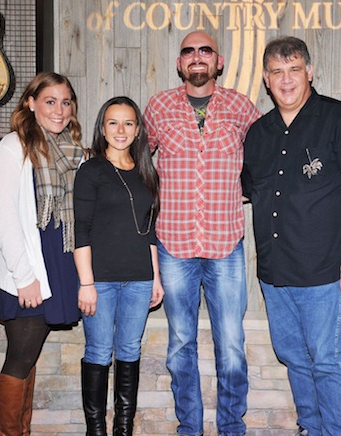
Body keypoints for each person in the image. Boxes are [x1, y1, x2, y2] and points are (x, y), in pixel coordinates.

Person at [242, 36, 341, 435]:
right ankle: (312, 427)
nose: (286, 80)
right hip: (274, 273)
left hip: (324, 272)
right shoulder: (258, 134)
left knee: (326, 358)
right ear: (267, 80)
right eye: (277, 72)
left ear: (310, 71)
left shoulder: (340, 119)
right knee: (293, 356)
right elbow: (246, 191)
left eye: (294, 69)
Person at [143, 31, 261, 436]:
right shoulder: (158, 107)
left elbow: (267, 156)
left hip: (226, 243)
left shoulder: (241, 108)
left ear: (219, 61)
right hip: (173, 244)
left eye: (205, 51)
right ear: (180, 63)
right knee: (180, 347)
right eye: (189, 51)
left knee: (230, 347)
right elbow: (135, 160)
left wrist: (247, 190)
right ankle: (188, 429)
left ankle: (231, 428)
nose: (197, 57)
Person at [0, 72, 85, 435]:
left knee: (28, 357)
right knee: (19, 360)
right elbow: (3, 218)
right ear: (30, 103)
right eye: (50, 101)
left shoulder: (72, 151)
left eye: (65, 102)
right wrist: (25, 278)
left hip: (59, 263)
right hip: (29, 270)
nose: (59, 109)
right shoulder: (13, 146)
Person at [73, 96, 164, 435]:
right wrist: (86, 282)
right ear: (102, 128)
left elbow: (149, 230)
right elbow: (81, 228)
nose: (121, 130)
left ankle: (123, 428)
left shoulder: (146, 171)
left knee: (128, 350)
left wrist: (155, 277)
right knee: (98, 351)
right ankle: (96, 430)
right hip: (101, 281)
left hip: (139, 280)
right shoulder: (91, 170)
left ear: (138, 129)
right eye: (113, 122)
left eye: (128, 123)